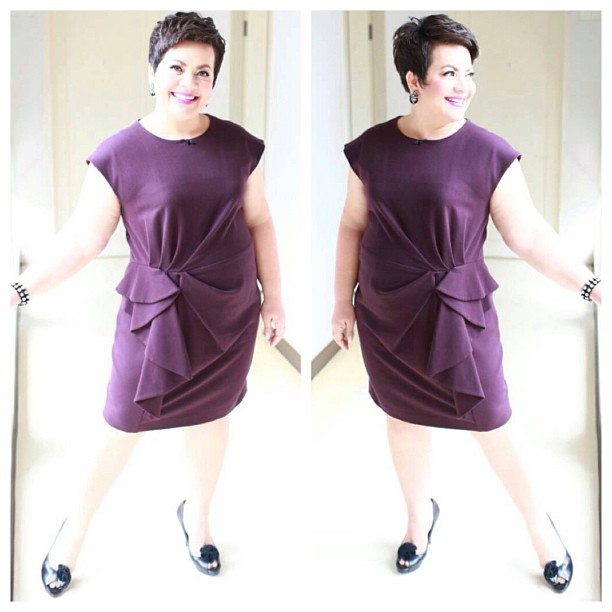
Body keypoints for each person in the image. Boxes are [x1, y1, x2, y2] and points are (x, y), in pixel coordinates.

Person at [9, 12, 285, 596]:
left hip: (227, 313)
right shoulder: (120, 154)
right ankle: (73, 534)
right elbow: (82, 241)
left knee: (212, 418)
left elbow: (259, 221)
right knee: (122, 423)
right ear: (153, 70)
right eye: (177, 67)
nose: (190, 82)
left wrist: (275, 299)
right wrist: (18, 291)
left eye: (204, 72)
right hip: (155, 314)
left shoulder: (239, 147)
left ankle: (198, 522)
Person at [332, 14, 601, 593]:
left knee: (492, 422)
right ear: (414, 79)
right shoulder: (370, 150)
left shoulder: (488, 153)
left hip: (458, 313)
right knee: (403, 419)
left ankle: (541, 532)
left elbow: (528, 236)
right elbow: (353, 225)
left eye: (469, 73)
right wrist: (340, 302)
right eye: (449, 72)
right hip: (387, 314)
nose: (463, 85)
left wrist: (592, 286)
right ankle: (417, 520)